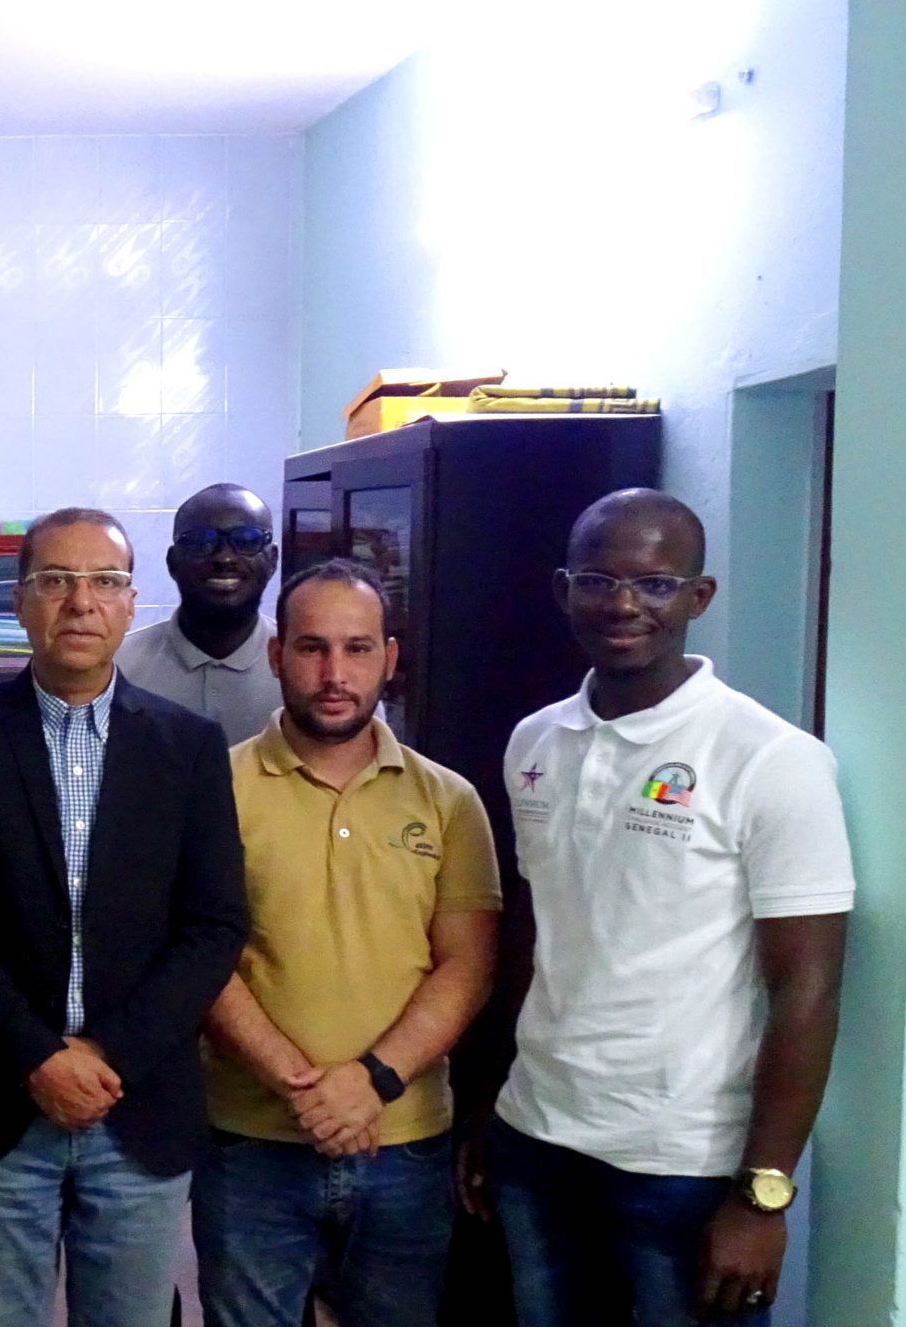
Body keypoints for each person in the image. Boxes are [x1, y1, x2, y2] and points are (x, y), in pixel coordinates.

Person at [467, 489, 853, 1326]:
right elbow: (536, 933)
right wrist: (492, 1102)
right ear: (564, 589)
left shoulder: (771, 759)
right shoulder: (535, 741)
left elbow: (809, 988)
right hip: (536, 1141)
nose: (624, 605)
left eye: (655, 584)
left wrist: (763, 1195)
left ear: (698, 597)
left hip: (684, 1167)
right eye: (599, 580)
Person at [0, 506, 248, 1327]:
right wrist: (39, 1057)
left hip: (138, 1101)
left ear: (131, 604)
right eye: (55, 581)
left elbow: (214, 925)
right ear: (20, 602)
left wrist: (105, 1055)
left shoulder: (189, 747)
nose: (80, 602)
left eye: (105, 582)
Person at [194, 558, 500, 1327]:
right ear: (277, 655)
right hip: (250, 1143)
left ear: (389, 658)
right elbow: (198, 957)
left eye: (358, 648)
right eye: (312, 647)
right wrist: (303, 1087)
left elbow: (468, 965)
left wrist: (371, 1083)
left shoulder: (448, 801)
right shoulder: (212, 790)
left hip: (405, 1145)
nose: (335, 674)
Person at [115, 483, 286, 745]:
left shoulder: (299, 668)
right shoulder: (118, 667)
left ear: (272, 560)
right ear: (172, 562)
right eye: (201, 541)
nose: (225, 558)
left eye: (247, 540)